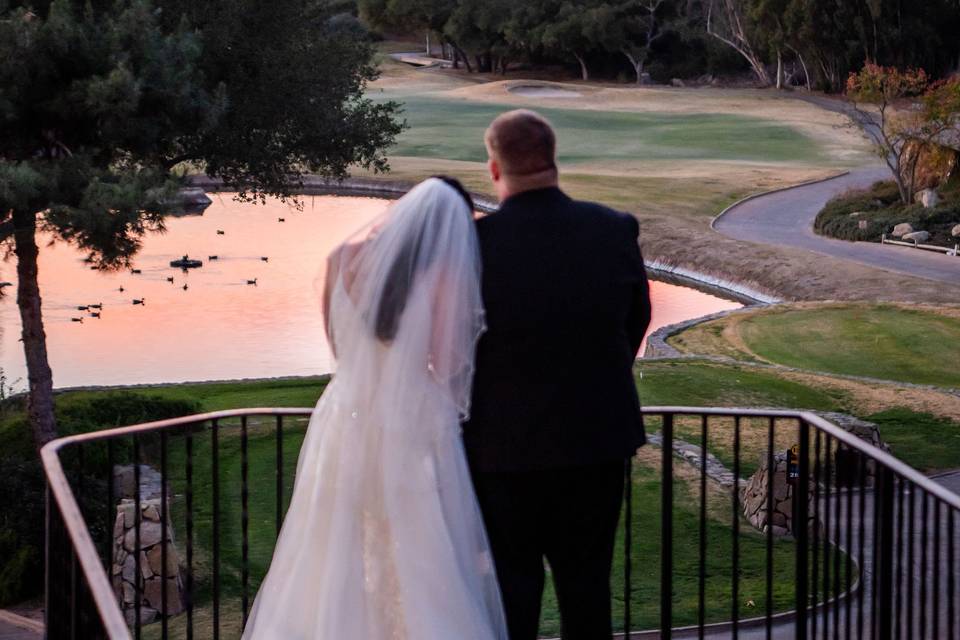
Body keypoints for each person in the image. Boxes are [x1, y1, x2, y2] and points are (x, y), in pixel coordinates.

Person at [241, 177, 508, 640]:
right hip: (412, 420)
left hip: (344, 416)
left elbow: (341, 349)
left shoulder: (339, 257)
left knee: (333, 539)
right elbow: (447, 365)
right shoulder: (441, 274)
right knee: (420, 544)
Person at [464, 109, 652, 640]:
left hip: (501, 452)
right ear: (552, 160)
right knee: (587, 589)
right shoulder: (612, 229)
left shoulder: (474, 244)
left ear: (495, 169)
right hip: (596, 444)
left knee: (511, 592)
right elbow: (635, 319)